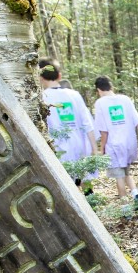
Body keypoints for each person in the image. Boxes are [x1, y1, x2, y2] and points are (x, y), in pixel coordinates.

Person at [38, 58, 98, 194]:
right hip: (79, 146)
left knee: (67, 188)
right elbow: (87, 123)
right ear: (59, 75)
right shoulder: (74, 95)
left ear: (40, 77)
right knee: (85, 181)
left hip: (58, 150)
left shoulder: (42, 97)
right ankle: (92, 207)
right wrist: (94, 149)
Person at [93, 75, 138, 207]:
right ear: (111, 86)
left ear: (99, 90)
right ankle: (136, 194)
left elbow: (103, 131)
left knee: (119, 176)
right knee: (126, 172)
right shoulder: (125, 99)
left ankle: (125, 208)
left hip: (114, 145)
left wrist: (102, 149)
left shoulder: (100, 103)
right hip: (129, 143)